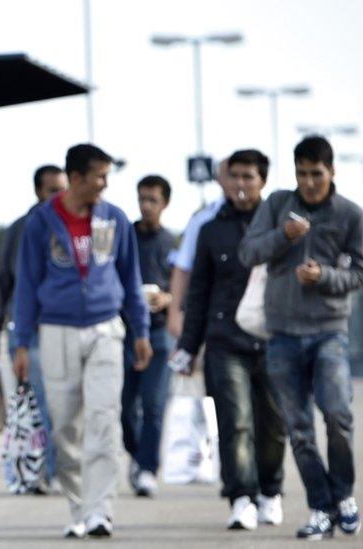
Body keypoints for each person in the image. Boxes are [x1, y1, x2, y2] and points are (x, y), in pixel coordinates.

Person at [12, 143, 151, 538]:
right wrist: (22, 343)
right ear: (76, 178)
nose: (105, 184)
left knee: (104, 421)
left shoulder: (115, 219)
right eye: (99, 176)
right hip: (56, 331)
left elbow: (132, 280)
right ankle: (78, 506)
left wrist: (140, 330)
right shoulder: (40, 222)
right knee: (66, 430)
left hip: (107, 329)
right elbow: (26, 285)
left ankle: (100, 511)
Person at [239, 136, 362, 540]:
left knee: (339, 418)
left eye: (317, 174)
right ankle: (320, 507)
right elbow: (248, 253)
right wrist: (284, 236)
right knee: (299, 428)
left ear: (332, 172)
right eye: (302, 174)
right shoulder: (276, 205)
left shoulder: (349, 215)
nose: (309, 182)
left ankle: (344, 494)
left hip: (329, 332)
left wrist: (323, 276)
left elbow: (359, 273)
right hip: (282, 335)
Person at [176, 150, 286, 531]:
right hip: (224, 340)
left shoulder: (281, 226)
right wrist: (187, 347)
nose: (241, 184)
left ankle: (270, 492)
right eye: (234, 176)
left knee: (273, 425)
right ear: (225, 180)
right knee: (235, 422)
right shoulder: (210, 229)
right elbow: (198, 292)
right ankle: (241, 498)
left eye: (249, 177)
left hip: (274, 341)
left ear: (262, 181)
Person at [0, 164, 66, 489]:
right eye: (52, 190)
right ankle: (48, 471)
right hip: (27, 330)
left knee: (64, 402)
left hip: (64, 326)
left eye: (63, 189)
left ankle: (53, 467)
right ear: (38, 192)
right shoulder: (20, 229)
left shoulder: (71, 228)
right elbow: (1, 283)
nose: (59, 196)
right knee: (41, 401)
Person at [121, 175, 176, 498]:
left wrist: (167, 299)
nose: (146, 205)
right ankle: (139, 454)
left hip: (159, 334)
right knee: (124, 408)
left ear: (164, 203)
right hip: (125, 333)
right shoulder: (124, 236)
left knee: (154, 406)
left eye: (152, 199)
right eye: (142, 198)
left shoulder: (172, 243)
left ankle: (147, 469)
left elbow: (183, 287)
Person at [167, 159, 233, 339]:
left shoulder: (266, 215)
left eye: (245, 176)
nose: (238, 182)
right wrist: (175, 313)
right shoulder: (203, 219)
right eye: (231, 175)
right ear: (219, 178)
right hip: (211, 315)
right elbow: (183, 266)